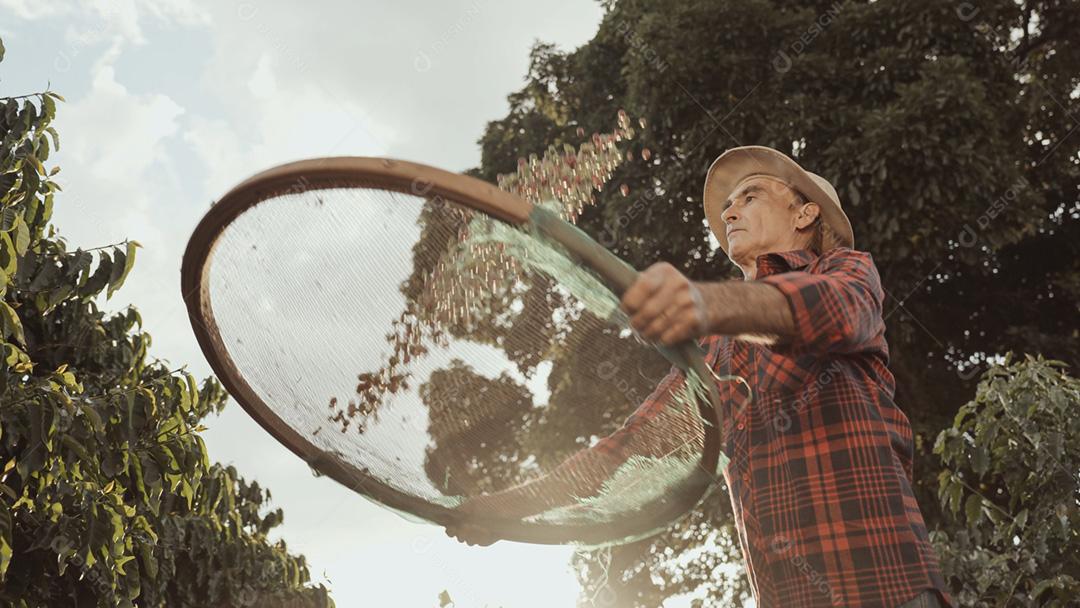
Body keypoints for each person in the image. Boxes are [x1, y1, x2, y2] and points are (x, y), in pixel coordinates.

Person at [447, 145, 954, 608]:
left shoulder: (845, 269)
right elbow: (632, 446)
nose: (729, 212)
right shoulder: (712, 348)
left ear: (805, 213)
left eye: (750, 196)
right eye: (727, 205)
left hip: (885, 585)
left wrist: (705, 303)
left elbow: (836, 313)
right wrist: (509, 506)